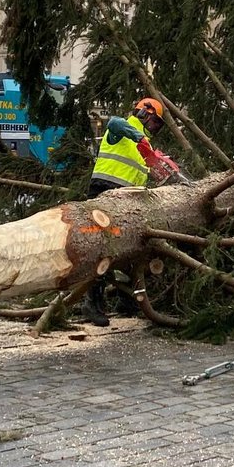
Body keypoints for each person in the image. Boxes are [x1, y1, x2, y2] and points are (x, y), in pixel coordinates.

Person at [82, 97, 167, 326]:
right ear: (144, 113)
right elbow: (115, 123)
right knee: (99, 250)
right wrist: (138, 136)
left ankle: (127, 300)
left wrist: (158, 168)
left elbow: (140, 175)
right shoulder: (124, 127)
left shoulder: (145, 145)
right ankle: (92, 303)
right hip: (103, 192)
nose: (155, 127)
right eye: (155, 121)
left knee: (129, 251)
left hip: (127, 200)